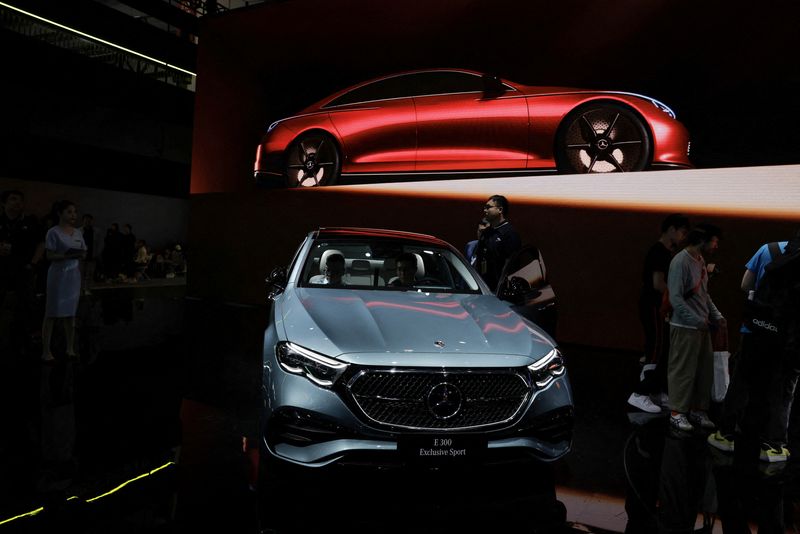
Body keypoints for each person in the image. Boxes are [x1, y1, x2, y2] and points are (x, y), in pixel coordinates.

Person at [709, 232, 800, 462]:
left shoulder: (768, 248)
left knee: (741, 382)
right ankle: (773, 447)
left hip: (755, 330)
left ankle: (725, 435)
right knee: (782, 392)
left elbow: (745, 285)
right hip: (787, 337)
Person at [627, 214, 690, 413]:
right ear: (671, 229)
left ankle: (654, 392)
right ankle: (641, 394)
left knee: (659, 349)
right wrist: (677, 296)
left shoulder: (665, 252)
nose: (683, 237)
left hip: (656, 306)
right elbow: (657, 284)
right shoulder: (659, 252)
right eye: (682, 232)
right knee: (656, 349)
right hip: (654, 306)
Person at [666, 223, 724, 432]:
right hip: (684, 326)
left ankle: (698, 410)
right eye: (715, 241)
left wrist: (716, 316)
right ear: (704, 240)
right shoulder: (680, 261)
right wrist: (696, 320)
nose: (716, 245)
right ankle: (677, 412)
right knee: (682, 370)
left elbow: (703, 294)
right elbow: (675, 298)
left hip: (701, 326)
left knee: (703, 371)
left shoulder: (700, 261)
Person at [41, 200, 86, 363]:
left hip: (73, 275)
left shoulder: (78, 232)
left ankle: (70, 347)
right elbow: (49, 255)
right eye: (69, 212)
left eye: (75, 212)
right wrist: (68, 256)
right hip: (58, 275)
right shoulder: (53, 232)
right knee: (51, 312)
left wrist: (80, 256)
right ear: (60, 213)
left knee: (71, 314)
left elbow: (83, 252)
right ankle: (46, 350)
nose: (73, 215)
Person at [0, 190, 44, 356]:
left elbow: (41, 243)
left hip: (23, 269)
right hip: (2, 269)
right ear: (4, 203)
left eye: (20, 200)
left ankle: (34, 334)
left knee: (28, 302)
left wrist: (33, 263)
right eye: (13, 199)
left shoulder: (31, 221)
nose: (17, 202)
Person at [476, 195, 521, 291]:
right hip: (483, 286)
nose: (485, 210)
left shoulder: (510, 234)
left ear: (500, 210)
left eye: (488, 207)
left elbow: (511, 264)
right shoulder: (486, 232)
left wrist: (502, 287)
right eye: (484, 207)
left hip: (500, 289)